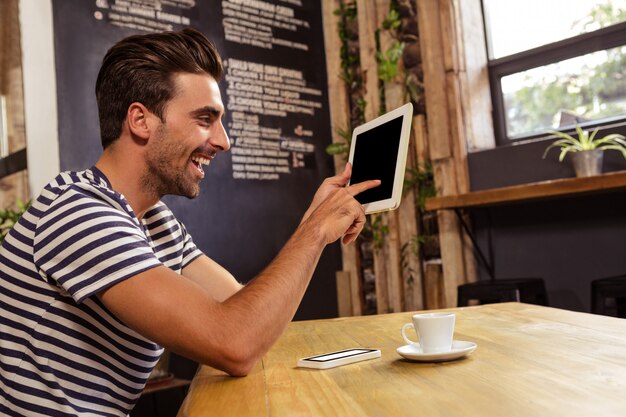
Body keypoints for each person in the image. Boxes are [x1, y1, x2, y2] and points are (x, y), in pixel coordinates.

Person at [0, 28, 379, 416]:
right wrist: (314, 231)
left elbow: (246, 312)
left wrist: (311, 223)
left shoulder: (154, 221)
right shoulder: (79, 212)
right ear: (140, 120)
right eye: (205, 118)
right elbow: (235, 343)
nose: (223, 140)